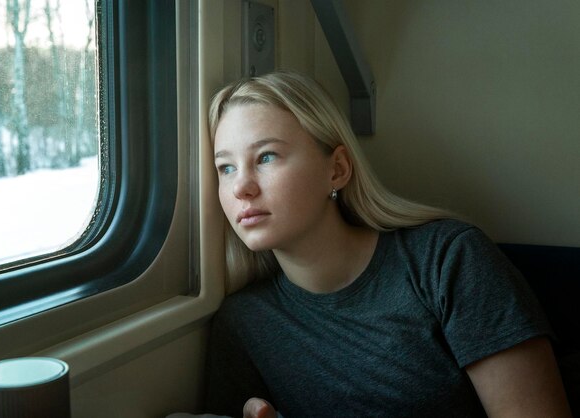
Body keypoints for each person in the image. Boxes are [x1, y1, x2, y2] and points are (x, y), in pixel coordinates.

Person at [204, 70, 572, 417]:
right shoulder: (243, 324)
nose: (240, 188)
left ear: (337, 169)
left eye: (266, 157)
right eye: (226, 168)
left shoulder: (447, 260)